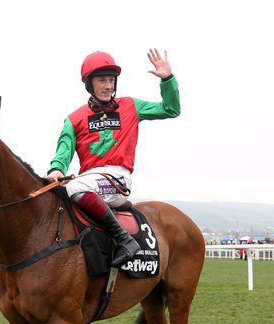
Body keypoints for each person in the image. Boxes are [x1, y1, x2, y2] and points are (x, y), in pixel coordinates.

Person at [46, 48, 180, 266]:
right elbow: (63, 151)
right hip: (88, 180)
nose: (108, 86)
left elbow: (171, 109)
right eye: (102, 81)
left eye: (111, 80)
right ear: (89, 84)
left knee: (74, 188)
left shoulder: (131, 106)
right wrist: (56, 170)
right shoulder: (74, 119)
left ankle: (125, 239)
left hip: (117, 178)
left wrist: (167, 79)